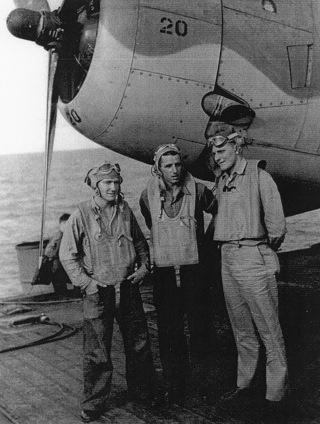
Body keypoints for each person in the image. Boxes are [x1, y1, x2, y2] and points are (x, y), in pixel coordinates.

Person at [59, 162, 156, 423]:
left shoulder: (125, 209)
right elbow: (67, 254)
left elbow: (139, 241)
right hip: (98, 291)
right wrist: (86, 283)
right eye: (107, 183)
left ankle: (143, 392)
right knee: (97, 352)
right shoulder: (81, 213)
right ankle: (94, 403)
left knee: (139, 344)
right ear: (95, 186)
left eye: (116, 182)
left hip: (127, 287)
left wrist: (144, 267)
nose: (113, 187)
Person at [208, 124, 288, 418]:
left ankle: (275, 399)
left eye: (222, 150)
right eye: (213, 152)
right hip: (227, 257)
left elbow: (277, 227)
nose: (216, 157)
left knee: (269, 331)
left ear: (237, 146)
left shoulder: (259, 176)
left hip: (253, 256)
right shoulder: (221, 180)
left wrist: (258, 252)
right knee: (242, 330)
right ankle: (246, 388)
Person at [140, 144, 217, 404]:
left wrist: (206, 245)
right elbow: (153, 225)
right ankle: (176, 386)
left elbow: (220, 211)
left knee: (201, 330)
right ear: (158, 168)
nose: (174, 170)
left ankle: (205, 385)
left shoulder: (199, 190)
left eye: (178, 164)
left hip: (194, 270)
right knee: (169, 332)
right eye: (168, 166)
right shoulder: (145, 196)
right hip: (164, 273)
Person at [34, 213, 71, 298]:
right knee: (58, 277)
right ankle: (62, 295)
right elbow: (49, 250)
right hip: (55, 262)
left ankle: (63, 294)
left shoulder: (60, 234)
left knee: (59, 278)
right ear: (62, 224)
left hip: (57, 261)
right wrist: (56, 256)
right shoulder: (59, 235)